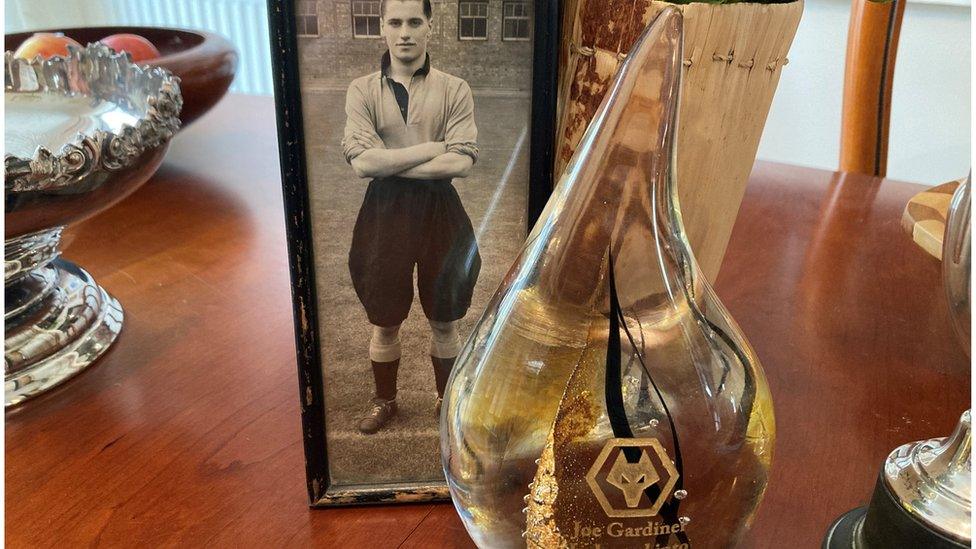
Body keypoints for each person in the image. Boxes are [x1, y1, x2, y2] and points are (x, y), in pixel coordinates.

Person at [341, 0, 480, 434]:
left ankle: (446, 402)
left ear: (429, 28)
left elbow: (461, 163)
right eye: (395, 22)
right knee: (385, 320)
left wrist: (390, 160)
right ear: (382, 28)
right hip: (384, 215)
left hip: (441, 211)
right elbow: (363, 166)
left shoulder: (455, 88)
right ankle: (385, 401)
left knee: (445, 318)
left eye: (414, 22)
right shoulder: (362, 90)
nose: (405, 32)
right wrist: (432, 148)